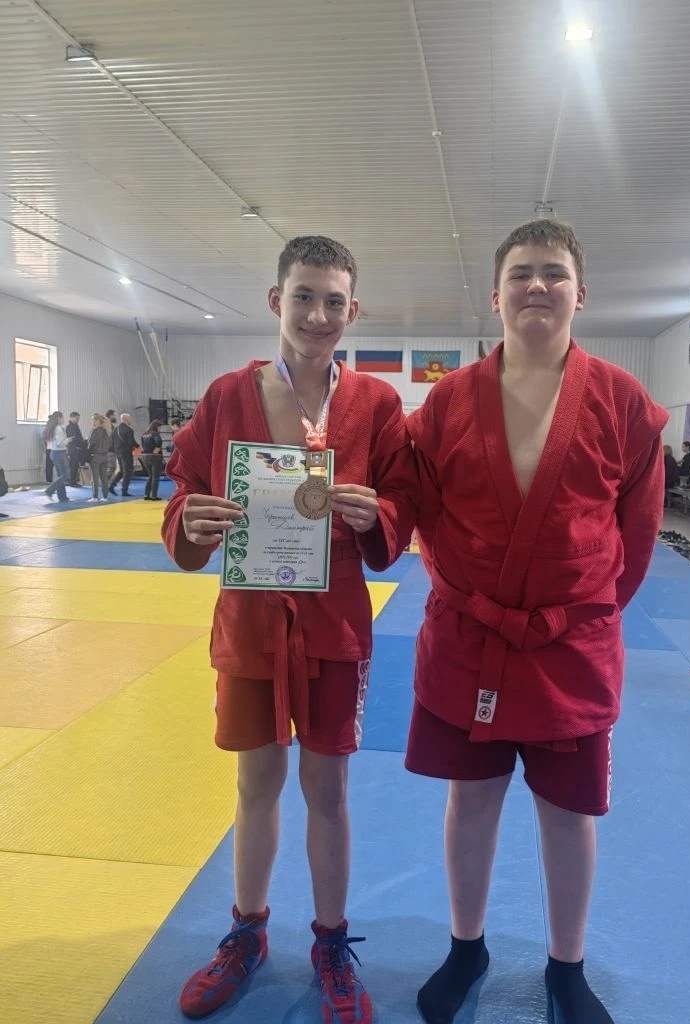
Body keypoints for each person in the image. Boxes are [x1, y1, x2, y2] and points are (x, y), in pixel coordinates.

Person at [405, 219, 668, 1024]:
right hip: (470, 638)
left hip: (570, 647)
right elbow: (421, 518)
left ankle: (567, 964)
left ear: (580, 294)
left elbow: (637, 537)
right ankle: (466, 946)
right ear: (496, 296)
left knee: (569, 813)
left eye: (554, 273)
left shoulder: (622, 402)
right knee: (472, 801)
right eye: (521, 273)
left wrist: (585, 617)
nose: (538, 286)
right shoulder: (448, 401)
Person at [161, 235, 418, 1023]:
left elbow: (402, 505)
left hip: (334, 623)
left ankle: (331, 942)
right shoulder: (226, 396)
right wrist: (188, 520)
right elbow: (184, 492)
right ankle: (247, 932)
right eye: (303, 296)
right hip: (251, 622)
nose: (317, 314)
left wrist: (378, 516)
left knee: (328, 790)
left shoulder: (377, 405)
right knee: (255, 785)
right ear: (277, 300)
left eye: (334, 301)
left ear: (353, 310)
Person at [42, 411, 71, 503]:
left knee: (60, 476)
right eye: (62, 417)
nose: (63, 419)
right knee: (65, 475)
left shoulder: (51, 428)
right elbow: (60, 443)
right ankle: (49, 490)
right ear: (59, 418)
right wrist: (68, 440)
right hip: (59, 453)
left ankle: (62, 497)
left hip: (53, 453)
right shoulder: (58, 428)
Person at [87, 413, 112, 501]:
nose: (92, 422)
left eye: (93, 420)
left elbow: (91, 443)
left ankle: (95, 496)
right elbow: (110, 444)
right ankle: (105, 496)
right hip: (105, 456)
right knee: (104, 477)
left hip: (96, 456)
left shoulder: (95, 431)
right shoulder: (107, 431)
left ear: (98, 421)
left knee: (95, 478)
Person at [110, 413, 138, 495]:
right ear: (126, 419)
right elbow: (131, 442)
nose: (131, 420)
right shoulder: (129, 430)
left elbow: (112, 441)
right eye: (130, 419)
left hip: (118, 452)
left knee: (122, 470)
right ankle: (124, 490)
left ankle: (111, 485)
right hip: (126, 452)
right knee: (128, 471)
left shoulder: (115, 429)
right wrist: (138, 446)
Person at [140, 420, 164, 500]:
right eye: (160, 427)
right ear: (156, 426)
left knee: (150, 476)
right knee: (155, 477)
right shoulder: (155, 434)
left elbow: (142, 445)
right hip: (155, 457)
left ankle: (146, 494)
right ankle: (154, 495)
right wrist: (157, 450)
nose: (160, 429)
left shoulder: (144, 434)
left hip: (145, 456)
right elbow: (159, 442)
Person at [66, 412, 87, 487]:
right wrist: (79, 445)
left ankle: (73, 481)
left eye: (78, 419)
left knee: (75, 466)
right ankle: (72, 482)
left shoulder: (75, 426)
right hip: (74, 449)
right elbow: (73, 438)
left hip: (77, 449)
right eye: (77, 418)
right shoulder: (70, 427)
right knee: (73, 466)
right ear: (71, 417)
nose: (78, 420)